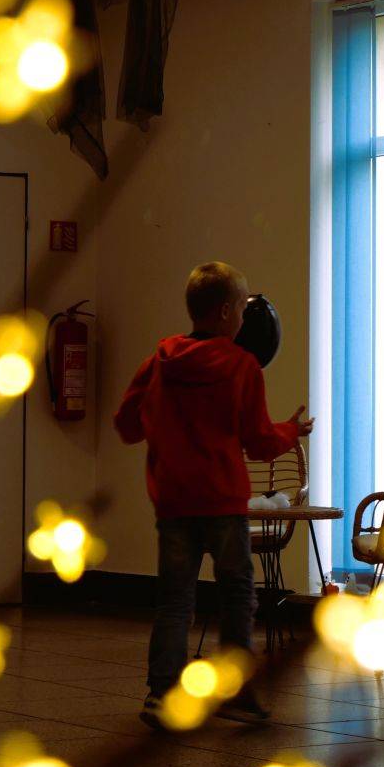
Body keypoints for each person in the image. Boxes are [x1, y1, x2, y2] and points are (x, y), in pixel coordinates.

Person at [114, 261, 314, 729]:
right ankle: (236, 693)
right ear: (225, 311)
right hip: (222, 501)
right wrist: (292, 430)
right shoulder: (242, 366)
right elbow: (258, 442)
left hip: (173, 501)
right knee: (237, 595)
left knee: (175, 601)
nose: (244, 318)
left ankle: (161, 694)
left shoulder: (160, 361)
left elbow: (126, 425)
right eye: (241, 308)